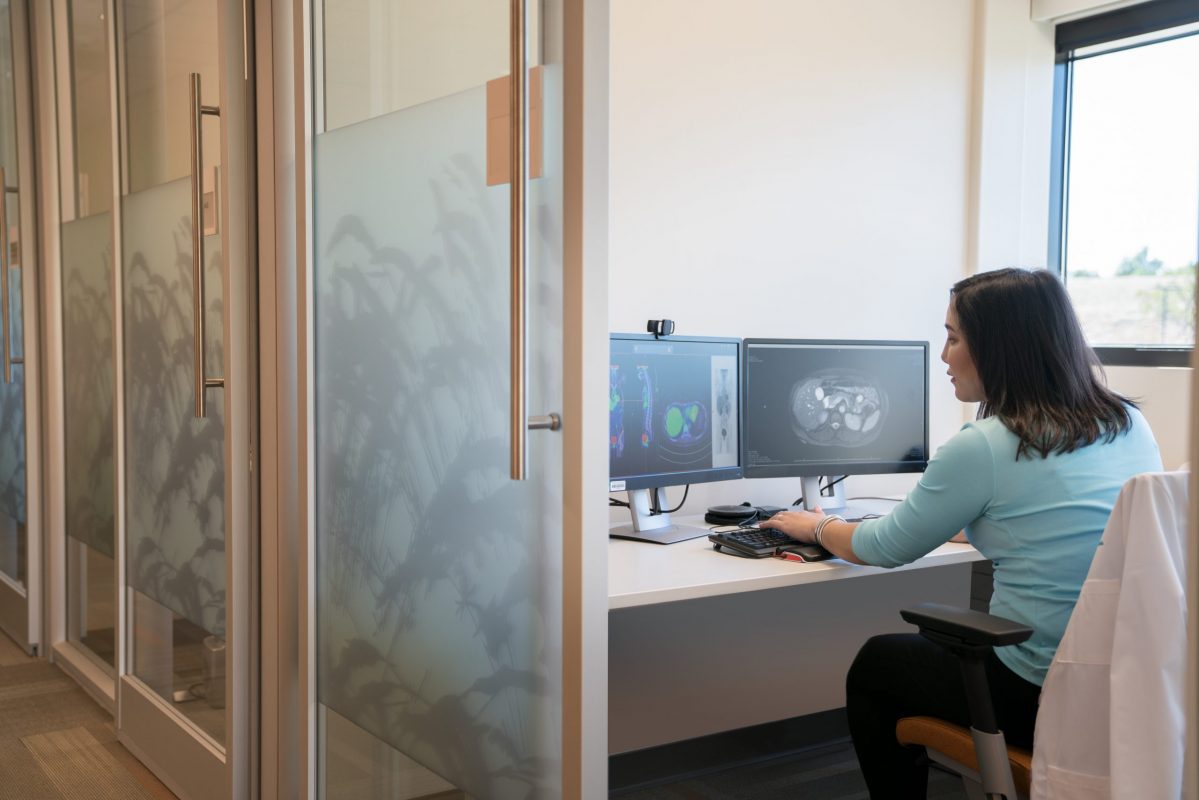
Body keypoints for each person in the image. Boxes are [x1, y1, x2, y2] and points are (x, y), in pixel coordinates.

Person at [760, 267, 1162, 798]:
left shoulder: (987, 444)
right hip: (1123, 685)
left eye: (953, 338)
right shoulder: (1128, 424)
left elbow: (882, 547)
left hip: (1039, 689)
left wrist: (819, 525)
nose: (944, 356)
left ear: (998, 346)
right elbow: (1066, 523)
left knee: (877, 663)